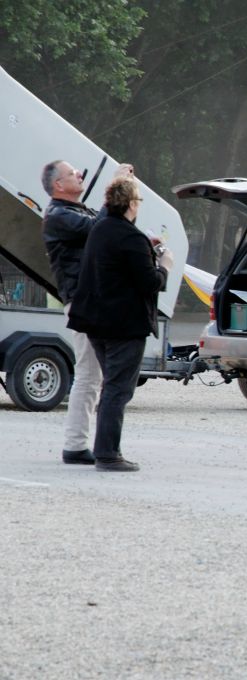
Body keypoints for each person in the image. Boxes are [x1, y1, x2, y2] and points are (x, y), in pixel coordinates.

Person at [68, 176, 174, 471]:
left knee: (110, 385)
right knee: (118, 388)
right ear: (130, 204)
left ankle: (104, 449)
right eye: (138, 201)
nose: (139, 206)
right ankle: (108, 453)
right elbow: (149, 282)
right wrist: (164, 265)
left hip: (95, 323)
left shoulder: (100, 229)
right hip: (124, 327)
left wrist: (145, 251)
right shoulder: (131, 238)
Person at [41, 159, 134, 465]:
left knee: (92, 375)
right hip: (82, 303)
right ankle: (76, 444)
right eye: (72, 173)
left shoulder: (73, 211)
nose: (79, 174)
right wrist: (116, 187)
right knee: (89, 374)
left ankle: (80, 443)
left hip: (89, 302)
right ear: (58, 185)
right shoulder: (58, 215)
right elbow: (101, 229)